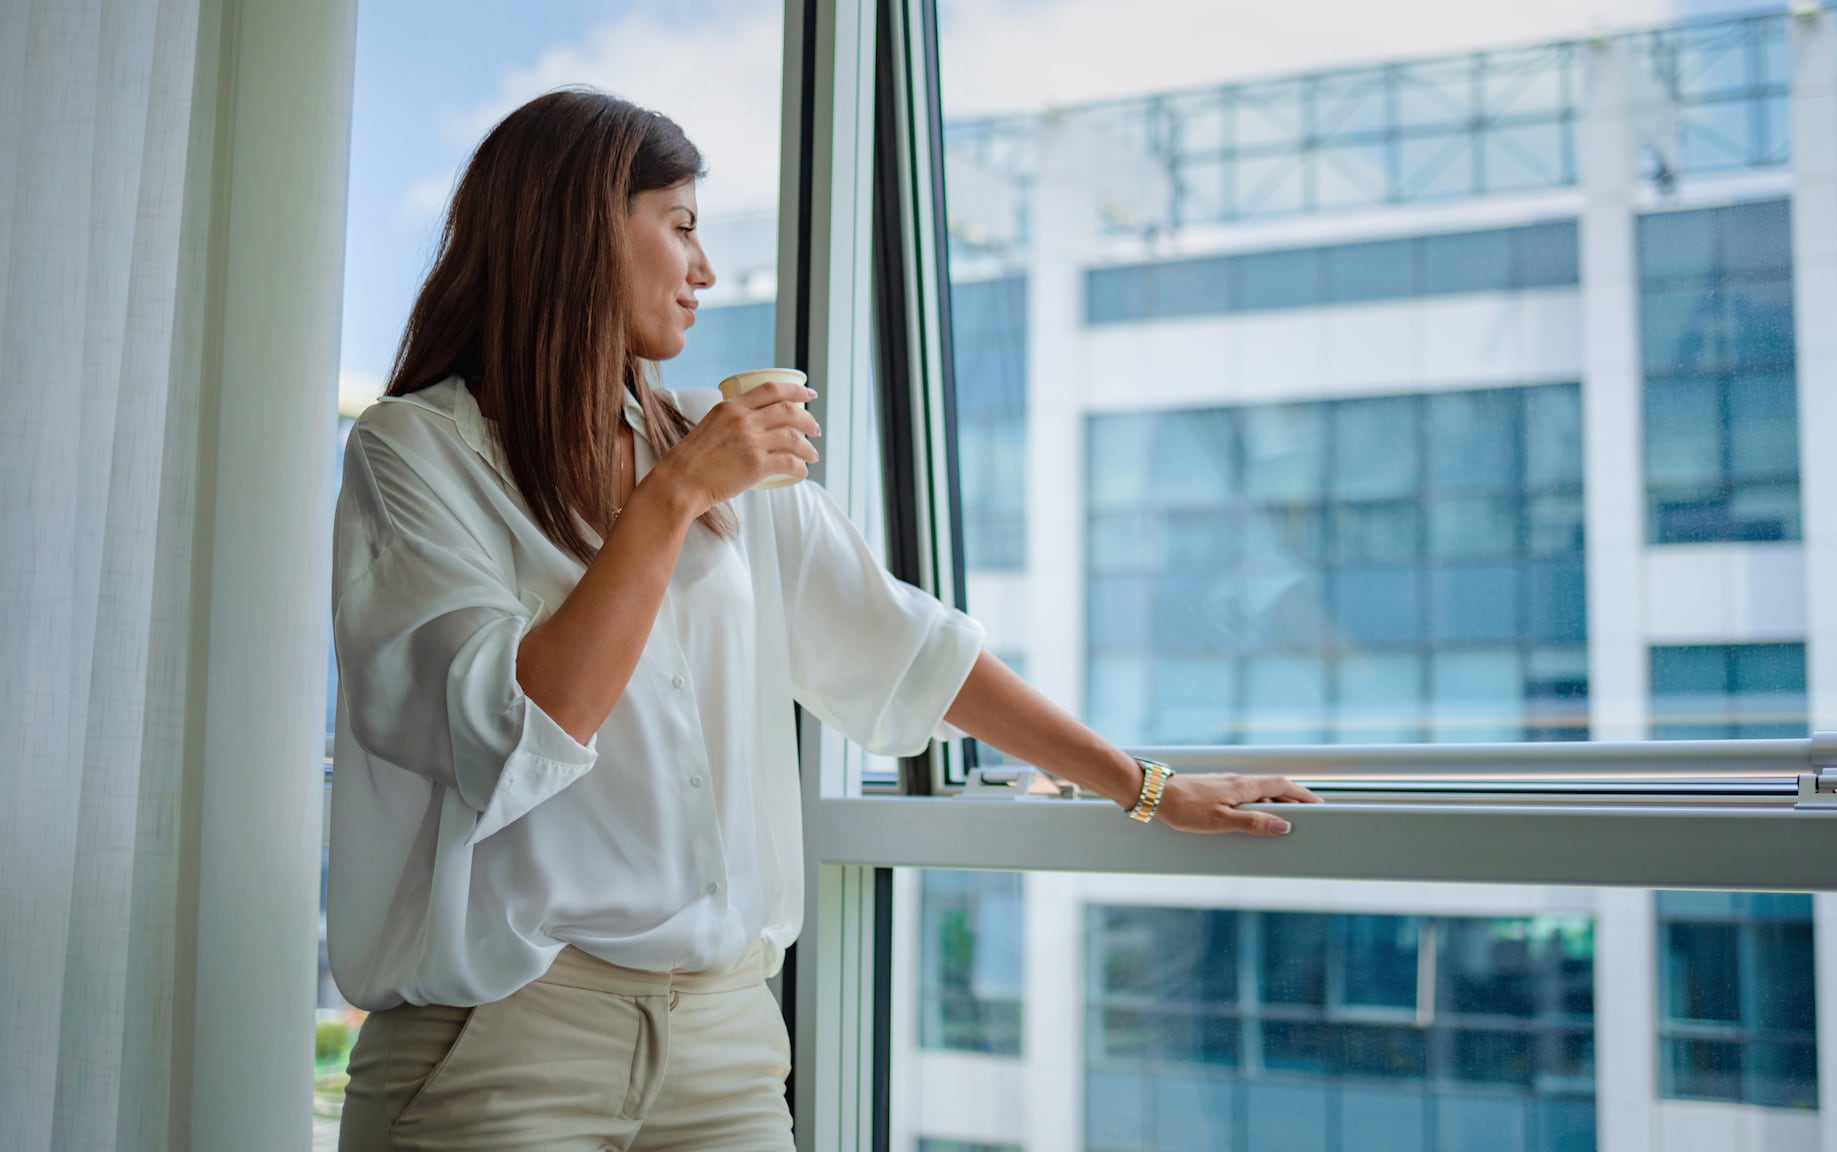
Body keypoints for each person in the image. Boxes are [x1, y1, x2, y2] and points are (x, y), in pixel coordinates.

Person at [329, 87, 1317, 1151]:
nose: (704, 271)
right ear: (576, 228)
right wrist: (671, 501)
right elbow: (521, 725)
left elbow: (908, 653)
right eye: (680, 225)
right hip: (505, 1045)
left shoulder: (716, 455)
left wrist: (1145, 787)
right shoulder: (416, 454)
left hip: (725, 1043)